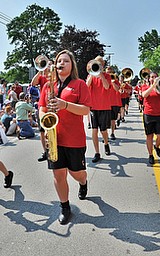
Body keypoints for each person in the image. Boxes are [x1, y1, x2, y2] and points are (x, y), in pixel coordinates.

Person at [38, 49, 91, 225]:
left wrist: (65, 105)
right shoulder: (47, 86)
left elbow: (85, 110)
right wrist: (44, 121)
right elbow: (41, 107)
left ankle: (83, 182)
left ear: (72, 65)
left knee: (76, 174)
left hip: (75, 139)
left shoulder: (80, 84)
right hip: (55, 138)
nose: (61, 63)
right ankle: (65, 207)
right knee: (59, 175)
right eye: (59, 61)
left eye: (66, 61)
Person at [86, 56, 112, 163]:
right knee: (94, 130)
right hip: (93, 107)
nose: (98, 65)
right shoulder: (90, 76)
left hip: (104, 107)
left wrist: (101, 75)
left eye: (100, 64)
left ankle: (106, 143)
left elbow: (106, 87)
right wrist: (92, 74)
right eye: (96, 63)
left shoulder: (107, 76)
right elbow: (86, 86)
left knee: (103, 130)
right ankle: (97, 153)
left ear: (103, 65)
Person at [141, 72, 160, 165]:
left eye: (155, 77)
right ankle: (151, 155)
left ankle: (156, 146)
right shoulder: (145, 86)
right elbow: (144, 95)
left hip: (159, 114)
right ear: (149, 79)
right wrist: (152, 86)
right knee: (149, 136)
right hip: (148, 114)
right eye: (152, 77)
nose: (154, 78)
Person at [30, 61, 52, 162]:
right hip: (42, 106)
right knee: (42, 132)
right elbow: (33, 83)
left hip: (53, 106)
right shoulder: (41, 76)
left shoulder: (55, 75)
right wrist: (39, 71)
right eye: (47, 64)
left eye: (50, 64)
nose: (48, 66)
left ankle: (55, 150)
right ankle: (45, 152)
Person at [106, 67, 121, 140]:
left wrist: (112, 82)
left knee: (112, 120)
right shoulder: (103, 80)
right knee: (105, 120)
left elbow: (117, 89)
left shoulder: (116, 81)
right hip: (105, 103)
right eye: (107, 72)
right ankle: (105, 135)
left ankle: (112, 133)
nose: (109, 74)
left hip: (114, 103)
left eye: (110, 72)